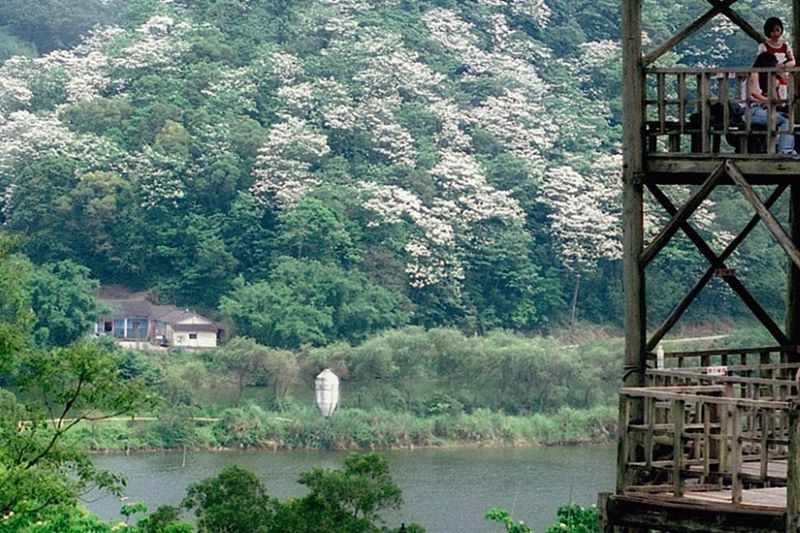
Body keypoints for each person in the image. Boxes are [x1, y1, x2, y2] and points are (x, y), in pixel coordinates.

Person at [748, 51, 796, 154]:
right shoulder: (754, 73)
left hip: (765, 110)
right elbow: (753, 93)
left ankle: (786, 149)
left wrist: (778, 81)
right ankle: (785, 150)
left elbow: (778, 102)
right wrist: (767, 101)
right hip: (753, 110)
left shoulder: (770, 79)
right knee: (785, 121)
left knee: (787, 118)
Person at [757, 17, 795, 100]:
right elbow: (761, 61)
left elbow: (792, 61)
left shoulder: (785, 46)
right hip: (768, 78)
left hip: (783, 76)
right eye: (772, 31)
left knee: (782, 100)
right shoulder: (763, 46)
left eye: (777, 30)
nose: (775, 33)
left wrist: (784, 65)